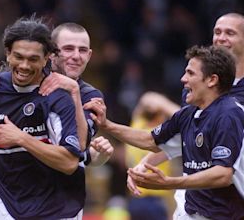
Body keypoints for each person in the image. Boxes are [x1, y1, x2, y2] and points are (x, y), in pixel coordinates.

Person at [85, 45, 244, 219]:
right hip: (192, 212)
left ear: (212, 80)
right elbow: (150, 140)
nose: (183, 79)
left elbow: (223, 174)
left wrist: (170, 183)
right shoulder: (188, 113)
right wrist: (107, 125)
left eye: (190, 73)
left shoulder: (229, 114)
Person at [0, 15, 85, 220]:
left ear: (47, 58)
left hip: (49, 204)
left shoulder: (57, 98)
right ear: (7, 54)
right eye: (18, 56)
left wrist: (20, 138)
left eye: (33, 59)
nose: (24, 65)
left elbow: (69, 163)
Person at [126, 12, 244, 214]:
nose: (221, 38)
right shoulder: (196, 87)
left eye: (230, 33)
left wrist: (163, 103)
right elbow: (187, 137)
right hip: (196, 200)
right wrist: (144, 164)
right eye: (217, 32)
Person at [0, 22, 113, 166]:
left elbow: (79, 147)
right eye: (68, 49)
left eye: (83, 50)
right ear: (52, 53)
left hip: (55, 185)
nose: (76, 56)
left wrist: (75, 91)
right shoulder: (22, 77)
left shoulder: (90, 96)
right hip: (7, 182)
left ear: (89, 55)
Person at [125, 91, 180, 220]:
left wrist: (151, 106)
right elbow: (184, 118)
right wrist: (163, 104)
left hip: (135, 199)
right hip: (156, 200)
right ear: (159, 116)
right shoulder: (163, 137)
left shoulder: (135, 129)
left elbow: (145, 99)